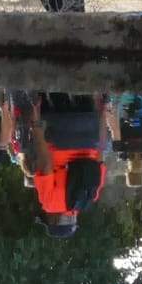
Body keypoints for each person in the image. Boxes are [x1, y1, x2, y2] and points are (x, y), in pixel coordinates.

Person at [13, 92, 108, 238]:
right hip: (58, 130)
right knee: (51, 86)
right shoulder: (50, 204)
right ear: (55, 220)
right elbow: (46, 164)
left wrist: (102, 113)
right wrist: (37, 121)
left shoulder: (90, 197)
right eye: (47, 219)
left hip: (89, 130)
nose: (46, 214)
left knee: (82, 87)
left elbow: (100, 152)